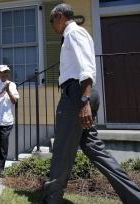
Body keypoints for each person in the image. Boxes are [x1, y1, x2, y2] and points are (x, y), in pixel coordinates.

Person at [42, 3, 140, 204]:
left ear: (60, 16)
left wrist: (84, 101)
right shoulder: (77, 34)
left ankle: (51, 198)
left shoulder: (73, 33)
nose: (52, 25)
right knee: (93, 148)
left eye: (52, 21)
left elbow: (86, 68)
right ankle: (134, 197)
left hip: (77, 95)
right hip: (82, 94)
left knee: (62, 149)